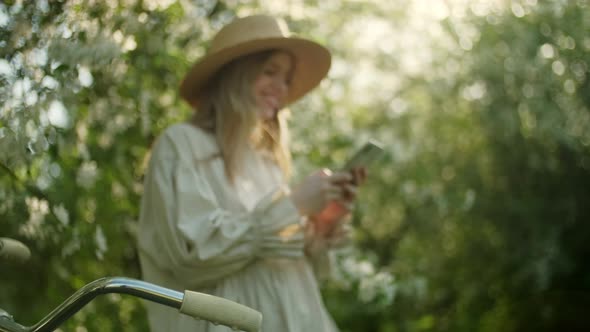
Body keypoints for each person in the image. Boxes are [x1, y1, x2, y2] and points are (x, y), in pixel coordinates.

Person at [137, 14, 365, 332]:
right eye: (269, 71)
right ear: (236, 76)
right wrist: (294, 206)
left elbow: (282, 263)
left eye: (286, 78)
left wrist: (321, 225)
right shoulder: (181, 144)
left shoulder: (267, 162)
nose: (281, 88)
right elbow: (191, 254)